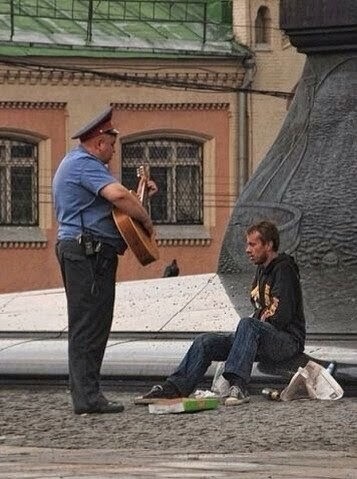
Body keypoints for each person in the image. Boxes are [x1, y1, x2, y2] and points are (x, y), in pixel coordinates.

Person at [53, 106, 157, 415]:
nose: (113, 152)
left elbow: (117, 208)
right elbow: (119, 198)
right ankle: (87, 398)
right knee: (89, 324)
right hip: (88, 253)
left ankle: (88, 394)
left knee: (93, 323)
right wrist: (147, 220)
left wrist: (140, 197)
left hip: (88, 252)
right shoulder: (85, 164)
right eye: (111, 146)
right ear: (100, 142)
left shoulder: (79, 163)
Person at [139, 220, 306, 406]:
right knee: (206, 341)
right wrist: (260, 318)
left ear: (268, 245)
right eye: (247, 244)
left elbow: (279, 316)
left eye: (253, 244)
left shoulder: (284, 269)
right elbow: (261, 311)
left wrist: (258, 319)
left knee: (247, 324)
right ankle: (175, 388)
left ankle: (238, 386)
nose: (247, 250)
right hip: (263, 336)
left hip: (288, 341)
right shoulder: (261, 270)